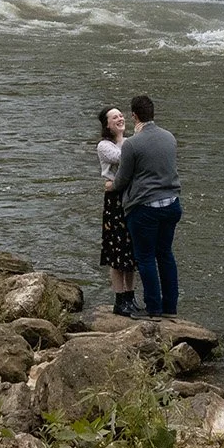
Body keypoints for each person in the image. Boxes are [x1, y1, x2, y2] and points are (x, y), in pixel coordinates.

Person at [107, 93, 181, 318]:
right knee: (165, 255)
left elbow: (122, 180)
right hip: (172, 204)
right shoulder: (169, 137)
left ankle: (154, 309)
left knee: (146, 258)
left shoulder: (132, 144)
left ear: (134, 116)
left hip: (145, 208)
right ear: (153, 114)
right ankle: (170, 308)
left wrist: (110, 186)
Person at [94, 107, 138, 316]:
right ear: (107, 124)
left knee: (131, 250)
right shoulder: (104, 145)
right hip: (115, 201)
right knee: (116, 250)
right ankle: (119, 300)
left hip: (131, 196)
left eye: (121, 115)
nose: (120, 119)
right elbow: (125, 159)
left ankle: (131, 296)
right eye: (115, 117)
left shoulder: (130, 142)